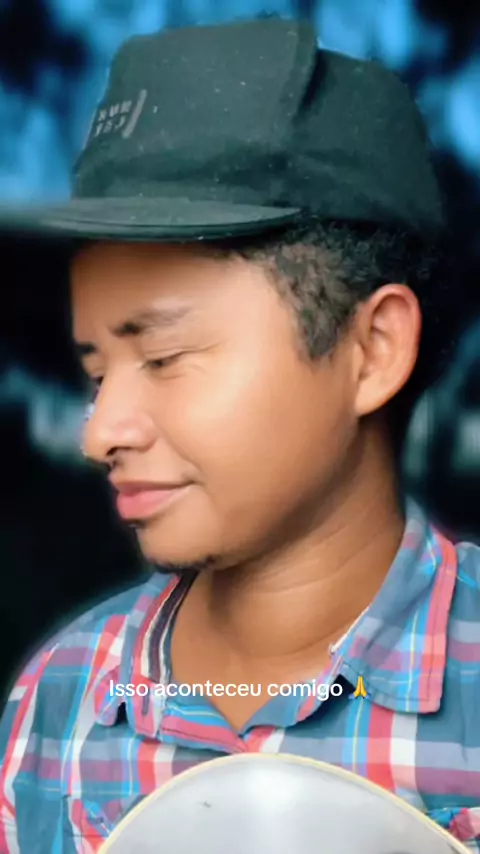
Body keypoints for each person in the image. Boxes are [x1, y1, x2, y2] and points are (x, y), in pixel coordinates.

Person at [0, 16, 479, 854]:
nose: (100, 433)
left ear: (372, 350)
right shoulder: (56, 706)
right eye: (98, 371)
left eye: (166, 356)